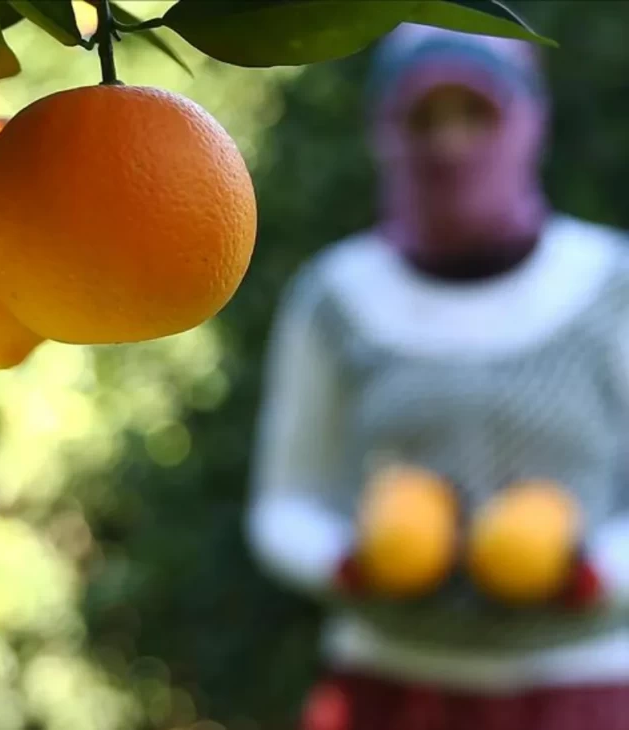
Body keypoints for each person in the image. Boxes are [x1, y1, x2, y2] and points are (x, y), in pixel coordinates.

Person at [245, 23, 629, 730]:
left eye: (474, 112)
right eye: (422, 116)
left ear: (525, 120)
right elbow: (284, 504)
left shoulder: (609, 285)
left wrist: (593, 572)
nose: (449, 143)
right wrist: (351, 562)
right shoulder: (335, 297)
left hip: (584, 689)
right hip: (386, 686)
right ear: (385, 128)